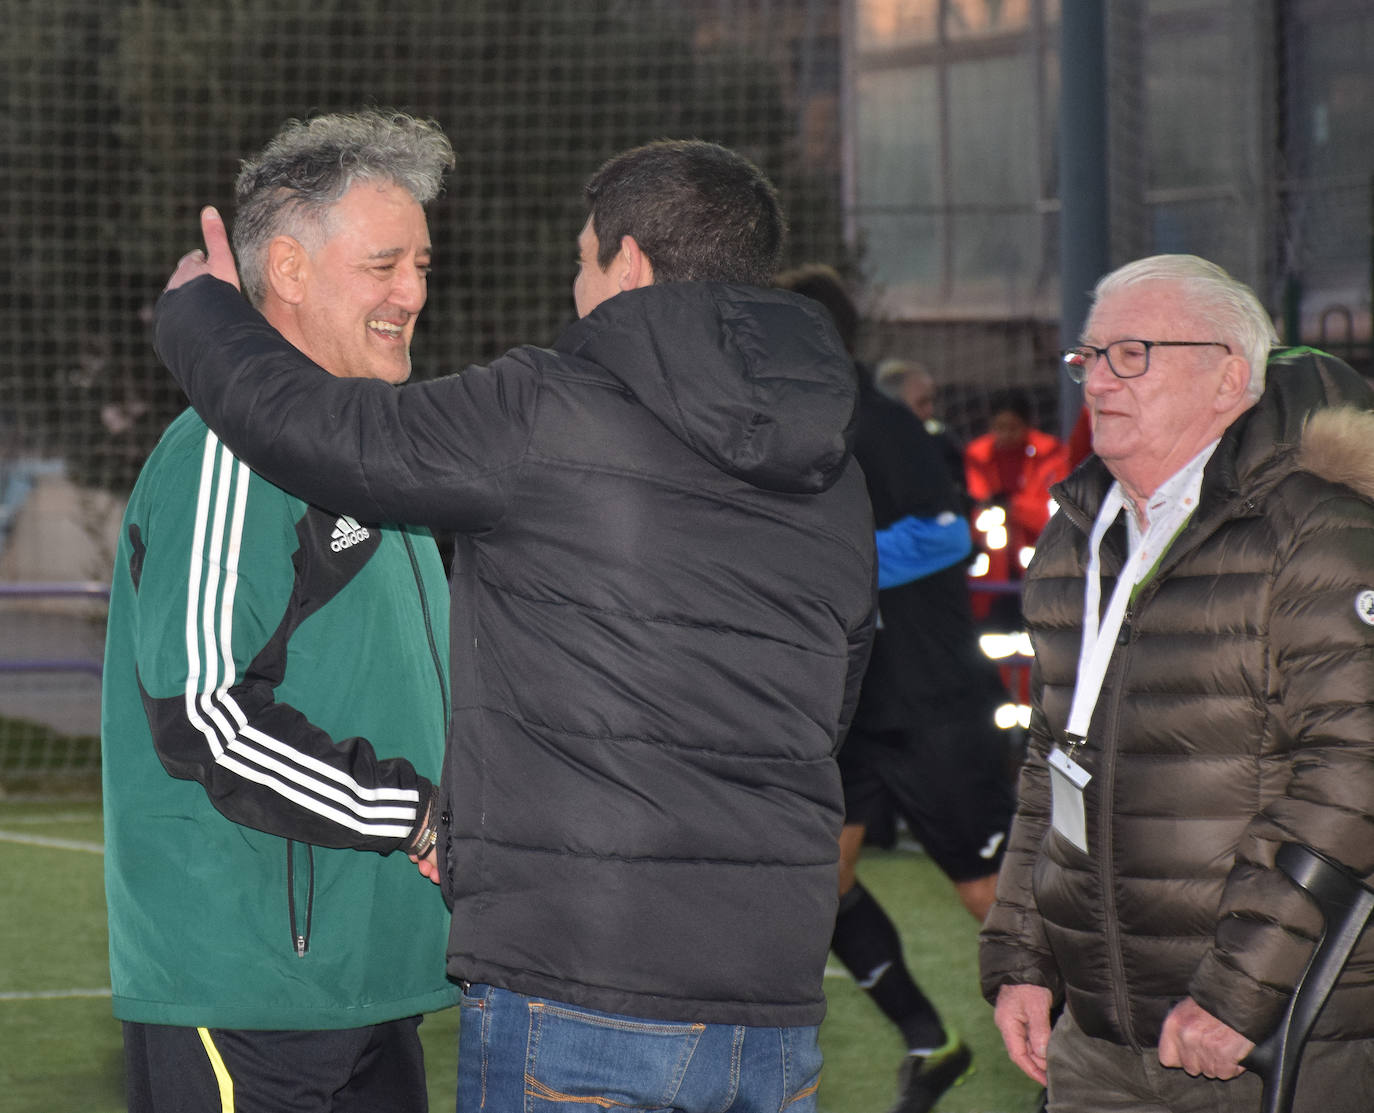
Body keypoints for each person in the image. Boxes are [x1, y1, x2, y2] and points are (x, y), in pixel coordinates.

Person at [152, 139, 876, 1113]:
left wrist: (203, 310)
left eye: (582, 262)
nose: (576, 291)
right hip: (777, 997)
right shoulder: (834, 472)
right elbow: (835, 702)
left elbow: (332, 433)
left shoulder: (549, 414)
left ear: (627, 263)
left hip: (582, 975)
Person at [100, 109, 460, 1113]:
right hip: (251, 983)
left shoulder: (372, 451)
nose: (413, 293)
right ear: (289, 272)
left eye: (423, 265)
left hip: (371, 976)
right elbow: (207, 716)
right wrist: (419, 817)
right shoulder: (229, 450)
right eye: (385, 264)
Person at [978, 253, 1374, 1112]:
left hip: (1270, 1038)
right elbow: (1052, 759)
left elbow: (1353, 771)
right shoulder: (1079, 536)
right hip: (1099, 1036)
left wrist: (1239, 995)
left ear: (1231, 375)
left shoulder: (1317, 529)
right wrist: (1021, 961)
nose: (1099, 379)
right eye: (1090, 355)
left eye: (1135, 352)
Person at [777, 264, 1015, 1113]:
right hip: (851, 716)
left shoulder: (878, 423)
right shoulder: (791, 431)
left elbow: (949, 536)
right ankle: (929, 1038)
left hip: (935, 707)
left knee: (989, 897)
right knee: (818, 881)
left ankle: (1085, 1063)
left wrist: (839, 567)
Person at [963, 389, 1070, 627]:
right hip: (991, 572)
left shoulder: (1050, 455)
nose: (1005, 434)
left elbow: (1049, 513)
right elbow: (975, 510)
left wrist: (1012, 507)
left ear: (1027, 425)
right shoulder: (976, 457)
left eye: (1012, 427)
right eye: (999, 427)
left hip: (1038, 567)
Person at [876, 358, 966, 504]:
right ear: (892, 403)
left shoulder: (940, 439)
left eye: (932, 401)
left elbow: (958, 486)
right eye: (922, 402)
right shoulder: (870, 444)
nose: (930, 410)